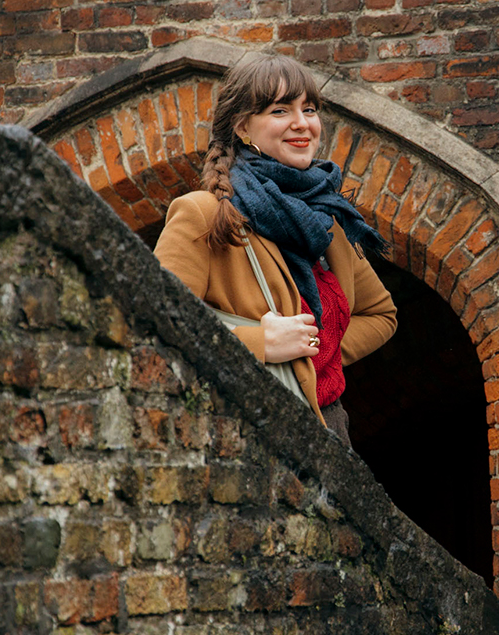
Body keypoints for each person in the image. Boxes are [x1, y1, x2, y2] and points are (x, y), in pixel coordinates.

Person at [154, 54, 397, 442]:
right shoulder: (203, 213)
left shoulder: (329, 218)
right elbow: (156, 323)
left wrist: (315, 353)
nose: (302, 123)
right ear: (243, 127)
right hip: (244, 431)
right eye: (280, 110)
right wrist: (259, 345)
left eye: (309, 109)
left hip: (330, 427)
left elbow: (380, 314)